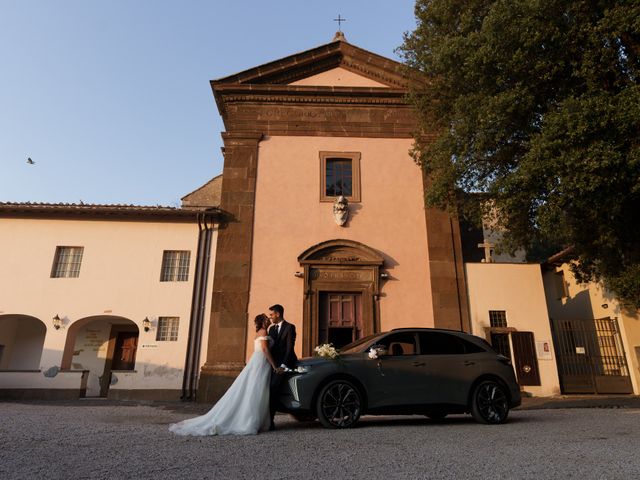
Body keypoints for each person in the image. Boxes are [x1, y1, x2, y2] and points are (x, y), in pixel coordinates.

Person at [169, 314, 277, 436]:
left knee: (255, 389)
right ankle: (249, 421)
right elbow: (264, 349)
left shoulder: (262, 332)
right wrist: (274, 365)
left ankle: (254, 419)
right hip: (261, 363)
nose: (269, 320)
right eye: (267, 319)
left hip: (259, 362)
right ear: (262, 322)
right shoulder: (263, 332)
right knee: (256, 390)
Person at [267, 304, 298, 430]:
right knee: (268, 389)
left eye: (272, 314)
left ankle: (270, 422)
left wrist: (283, 366)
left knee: (273, 387)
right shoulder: (271, 329)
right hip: (274, 365)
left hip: (285, 363)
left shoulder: (290, 327)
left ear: (278, 314)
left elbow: (289, 349)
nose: (270, 317)